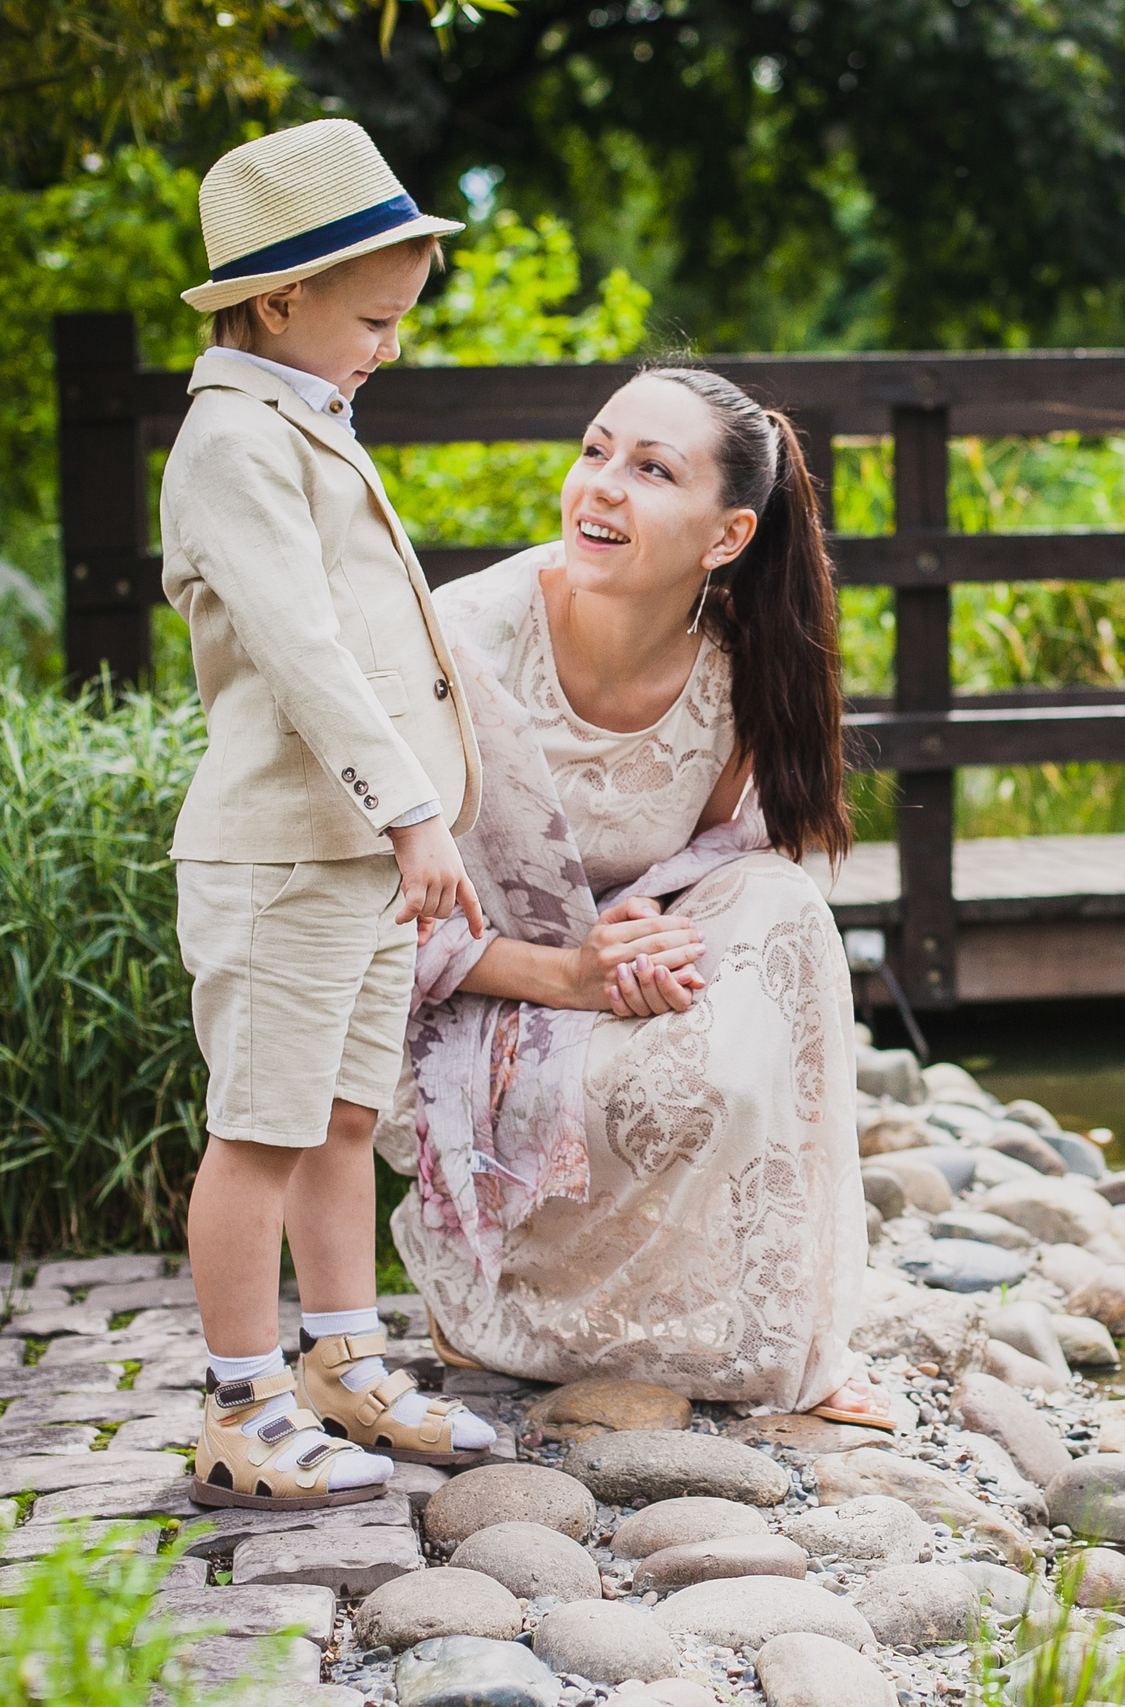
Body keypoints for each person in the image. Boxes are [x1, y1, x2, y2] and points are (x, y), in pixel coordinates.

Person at [375, 366, 890, 1427]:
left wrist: (645, 948)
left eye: (652, 470)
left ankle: (782, 1334)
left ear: (727, 536)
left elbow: (713, 870)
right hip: (456, 1006)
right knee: (673, 1011)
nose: (601, 486)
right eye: (595, 451)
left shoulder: (742, 671)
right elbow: (373, 912)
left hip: (610, 980)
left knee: (783, 910)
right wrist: (566, 973)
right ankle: (495, 1310)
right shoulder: (460, 642)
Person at [165, 119, 504, 1509]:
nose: (388, 346)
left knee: (345, 1118)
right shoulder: (232, 442)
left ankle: (342, 1358)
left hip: (356, 855)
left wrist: (418, 825)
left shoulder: (303, 419)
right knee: (262, 1124)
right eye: (372, 320)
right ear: (277, 300)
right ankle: (240, 1398)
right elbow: (307, 652)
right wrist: (414, 812)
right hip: (281, 856)